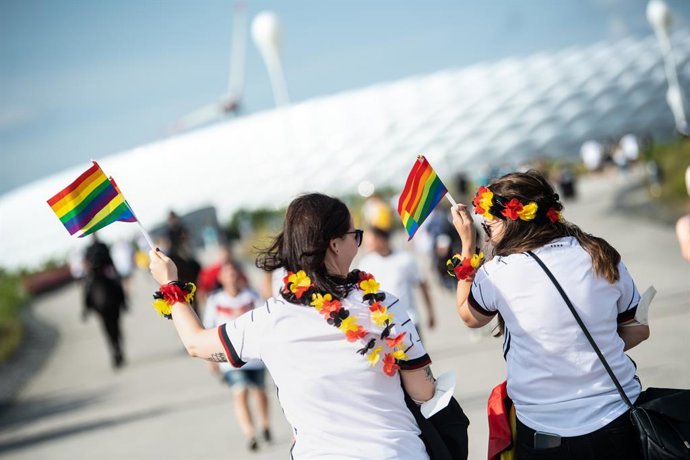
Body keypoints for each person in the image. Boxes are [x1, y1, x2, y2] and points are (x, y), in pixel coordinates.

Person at [149, 193, 469, 459]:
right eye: (354, 235)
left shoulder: (269, 320)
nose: (358, 243)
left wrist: (170, 284)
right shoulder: (384, 307)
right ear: (334, 244)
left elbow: (195, 343)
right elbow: (423, 391)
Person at [449, 171, 649, 460]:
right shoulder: (599, 252)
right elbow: (638, 329)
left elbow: (469, 316)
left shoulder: (498, 272)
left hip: (544, 430)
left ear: (512, 221)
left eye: (489, 226)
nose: (488, 235)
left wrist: (468, 247)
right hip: (616, 417)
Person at [203, 261, 271, 451]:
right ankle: (250, 434)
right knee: (240, 393)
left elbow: (264, 322)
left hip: (255, 357)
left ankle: (265, 425)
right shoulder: (215, 301)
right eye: (227, 273)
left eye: (234, 272)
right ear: (221, 278)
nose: (231, 276)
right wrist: (211, 360)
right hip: (229, 359)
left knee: (260, 392)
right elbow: (209, 329)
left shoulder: (252, 296)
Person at [357, 226, 436, 335]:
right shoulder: (366, 264)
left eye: (370, 241)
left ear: (382, 239)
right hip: (382, 325)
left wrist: (430, 313)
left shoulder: (405, 259)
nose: (367, 245)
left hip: (409, 320)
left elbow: (422, 285)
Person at [83, 234, 127, 369]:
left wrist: (112, 270)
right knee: (87, 288)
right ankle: (86, 307)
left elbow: (110, 259)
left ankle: (124, 302)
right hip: (94, 274)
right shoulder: (88, 248)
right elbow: (86, 262)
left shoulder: (103, 245)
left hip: (105, 271)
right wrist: (89, 268)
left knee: (117, 284)